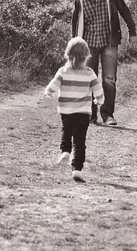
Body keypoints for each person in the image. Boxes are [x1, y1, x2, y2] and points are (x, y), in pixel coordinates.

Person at [71, 0, 137, 126]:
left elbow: (125, 11)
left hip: (109, 42)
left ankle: (108, 115)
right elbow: (75, 25)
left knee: (109, 79)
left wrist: (132, 32)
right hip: (89, 45)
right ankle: (90, 115)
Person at [44, 36, 104, 182]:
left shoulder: (63, 71)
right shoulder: (89, 73)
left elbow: (52, 86)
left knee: (66, 131)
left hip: (66, 111)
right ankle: (77, 169)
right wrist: (99, 100)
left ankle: (65, 152)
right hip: (83, 113)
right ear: (87, 56)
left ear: (68, 54)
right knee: (80, 141)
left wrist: (48, 92)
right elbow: (98, 90)